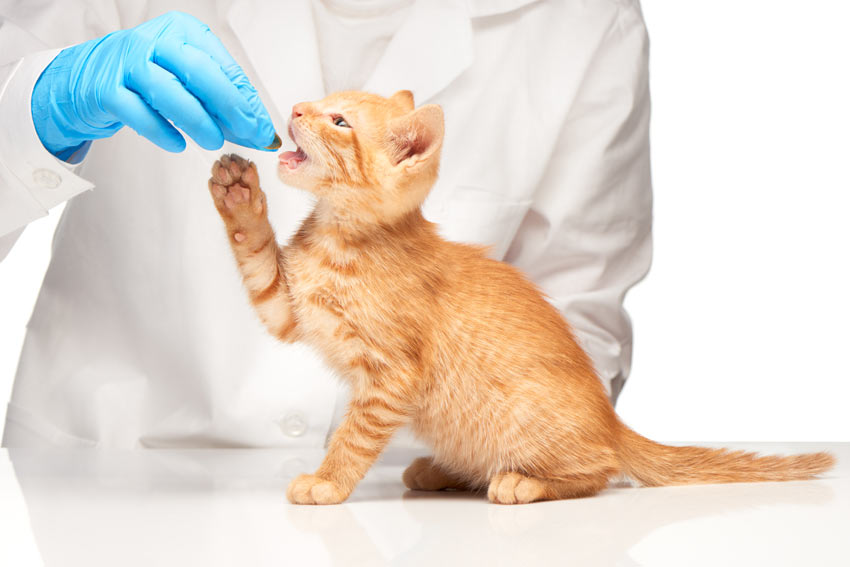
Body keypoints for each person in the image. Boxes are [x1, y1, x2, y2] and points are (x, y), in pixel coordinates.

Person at [0, 0, 652, 448]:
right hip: (103, 490)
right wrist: (36, 109)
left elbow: (571, 344)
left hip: (411, 521)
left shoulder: (582, 23)